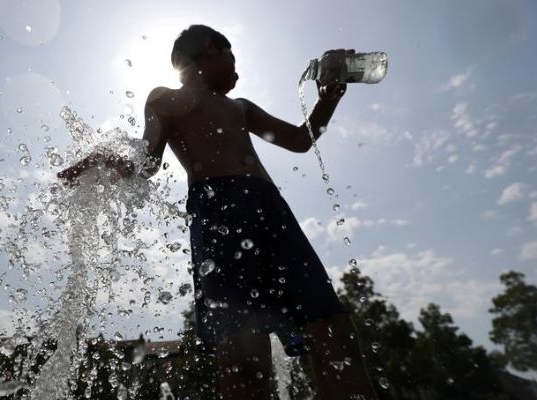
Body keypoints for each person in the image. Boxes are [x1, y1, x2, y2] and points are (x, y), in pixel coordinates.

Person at [58, 24, 377, 400]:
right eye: (232, 59)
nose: (237, 72)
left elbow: (299, 139)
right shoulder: (164, 99)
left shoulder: (240, 107)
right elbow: (145, 165)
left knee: (331, 329)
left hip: (270, 209)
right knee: (243, 356)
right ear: (210, 51)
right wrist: (103, 161)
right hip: (217, 215)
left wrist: (330, 98)